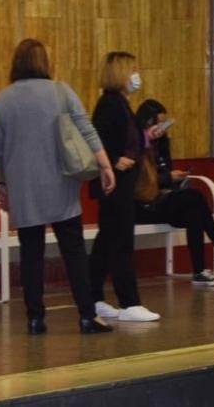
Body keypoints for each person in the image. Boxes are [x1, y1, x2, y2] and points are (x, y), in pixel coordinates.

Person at [0, 39, 115, 335]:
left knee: (31, 252)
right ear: (45, 62)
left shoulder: (3, 99)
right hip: (61, 182)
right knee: (73, 250)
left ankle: (34, 317)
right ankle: (86, 315)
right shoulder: (61, 91)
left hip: (23, 186)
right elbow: (86, 129)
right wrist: (105, 166)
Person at [134, 99, 214, 286]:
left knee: (194, 212)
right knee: (195, 197)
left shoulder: (161, 145)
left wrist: (176, 178)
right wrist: (168, 177)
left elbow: (163, 174)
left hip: (163, 199)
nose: (162, 129)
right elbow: (141, 181)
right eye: (158, 124)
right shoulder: (136, 146)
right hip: (144, 204)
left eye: (164, 124)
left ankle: (201, 269)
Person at [89, 51, 161, 322]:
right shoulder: (110, 104)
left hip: (122, 183)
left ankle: (93, 296)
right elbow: (98, 138)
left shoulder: (120, 103)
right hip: (115, 184)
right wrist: (113, 159)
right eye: (132, 69)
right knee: (119, 241)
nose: (136, 74)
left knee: (106, 242)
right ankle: (129, 301)